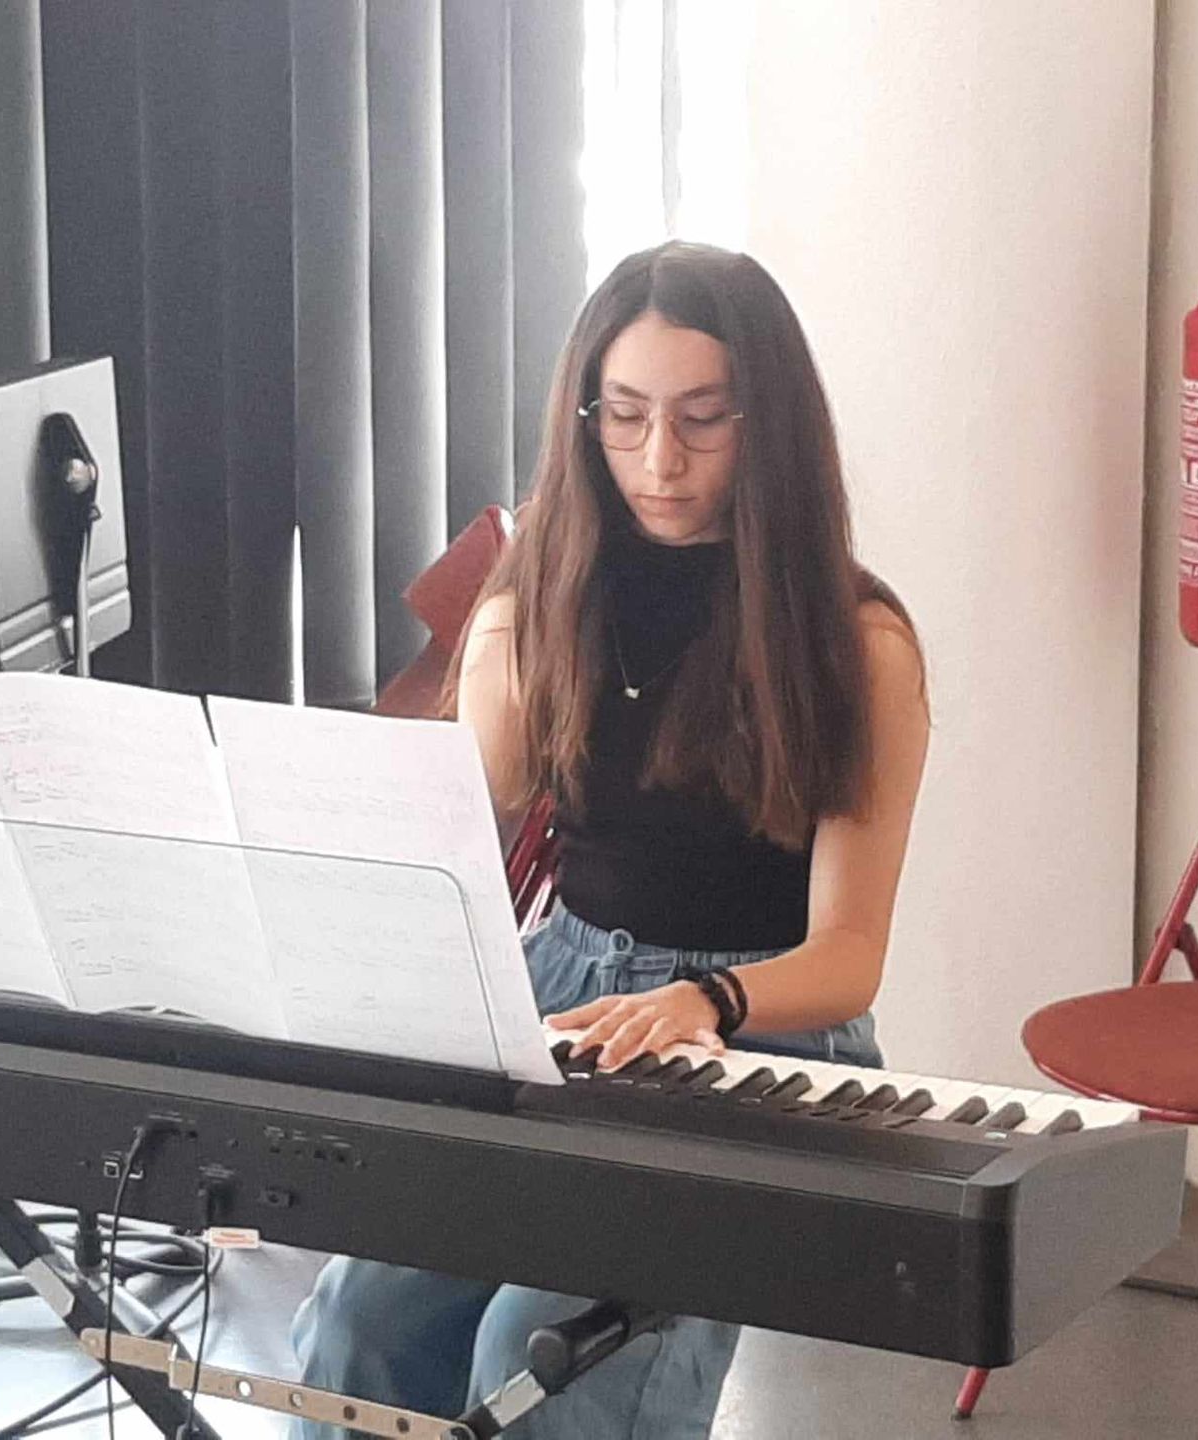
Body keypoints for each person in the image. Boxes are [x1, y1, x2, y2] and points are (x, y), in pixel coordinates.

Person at [290, 240, 930, 1438]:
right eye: (625, 417)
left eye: (703, 418)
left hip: (759, 1032)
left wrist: (704, 1002)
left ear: (770, 422)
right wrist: (498, 646)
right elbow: (460, 836)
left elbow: (849, 957)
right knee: (353, 1329)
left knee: (538, 1360)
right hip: (566, 998)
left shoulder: (857, 641)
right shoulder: (550, 596)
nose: (659, 460)